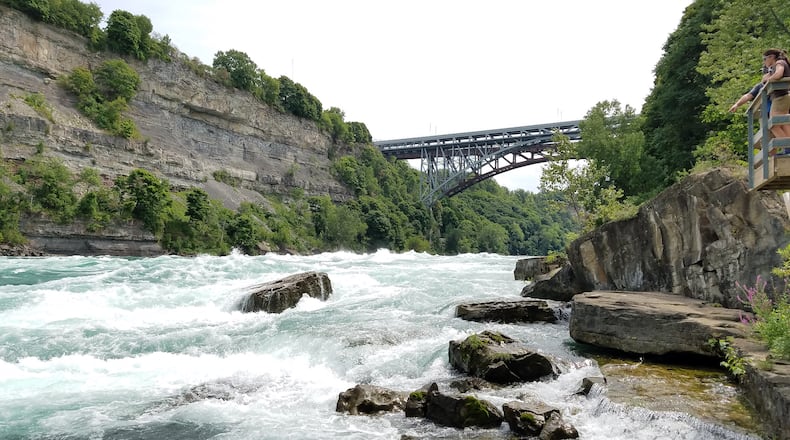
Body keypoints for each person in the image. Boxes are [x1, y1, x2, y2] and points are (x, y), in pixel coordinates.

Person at [762, 48, 790, 138]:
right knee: (781, 123)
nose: (764, 61)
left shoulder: (779, 63)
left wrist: (769, 80)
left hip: (781, 97)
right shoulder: (775, 66)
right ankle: (787, 146)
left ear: (771, 57)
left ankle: (787, 146)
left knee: (774, 125)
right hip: (782, 97)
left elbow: (778, 74)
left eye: (765, 59)